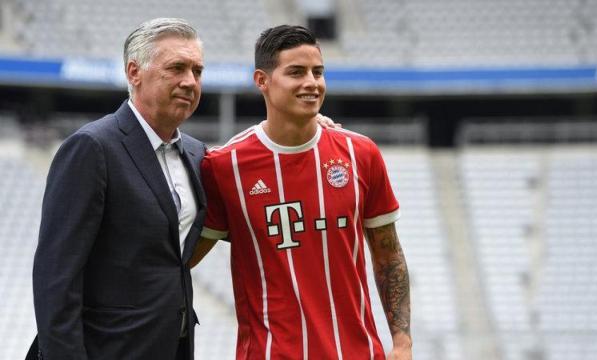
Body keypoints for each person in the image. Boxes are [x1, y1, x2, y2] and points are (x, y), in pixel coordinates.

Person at [192, 25, 412, 359]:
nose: (312, 82)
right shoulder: (224, 167)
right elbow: (184, 260)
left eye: (318, 72)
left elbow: (388, 254)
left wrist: (402, 342)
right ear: (262, 81)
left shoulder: (360, 154)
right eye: (296, 72)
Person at [32, 18, 207, 360]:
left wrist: (310, 129)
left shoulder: (198, 154)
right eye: (177, 68)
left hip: (173, 348)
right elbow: (56, 277)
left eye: (197, 71)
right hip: (106, 350)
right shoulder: (92, 147)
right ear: (134, 72)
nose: (190, 81)